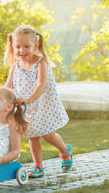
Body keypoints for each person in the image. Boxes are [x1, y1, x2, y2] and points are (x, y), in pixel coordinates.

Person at [4, 25, 73, 178]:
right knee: (33, 136)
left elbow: (40, 85)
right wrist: (1, 98)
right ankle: (38, 166)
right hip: (25, 107)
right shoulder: (15, 67)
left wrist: (28, 100)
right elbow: (8, 86)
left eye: (26, 46)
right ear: (13, 47)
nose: (22, 50)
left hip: (41, 105)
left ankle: (64, 150)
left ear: (36, 45)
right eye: (18, 47)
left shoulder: (40, 63)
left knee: (48, 135)